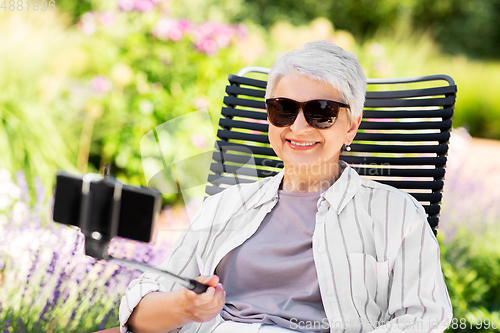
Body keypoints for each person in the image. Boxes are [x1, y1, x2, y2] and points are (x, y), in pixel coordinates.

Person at [119, 40, 452, 333]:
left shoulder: (397, 215)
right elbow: (139, 308)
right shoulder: (225, 205)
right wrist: (184, 308)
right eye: (283, 109)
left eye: (322, 112)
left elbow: (422, 319)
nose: (298, 126)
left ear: (351, 126)